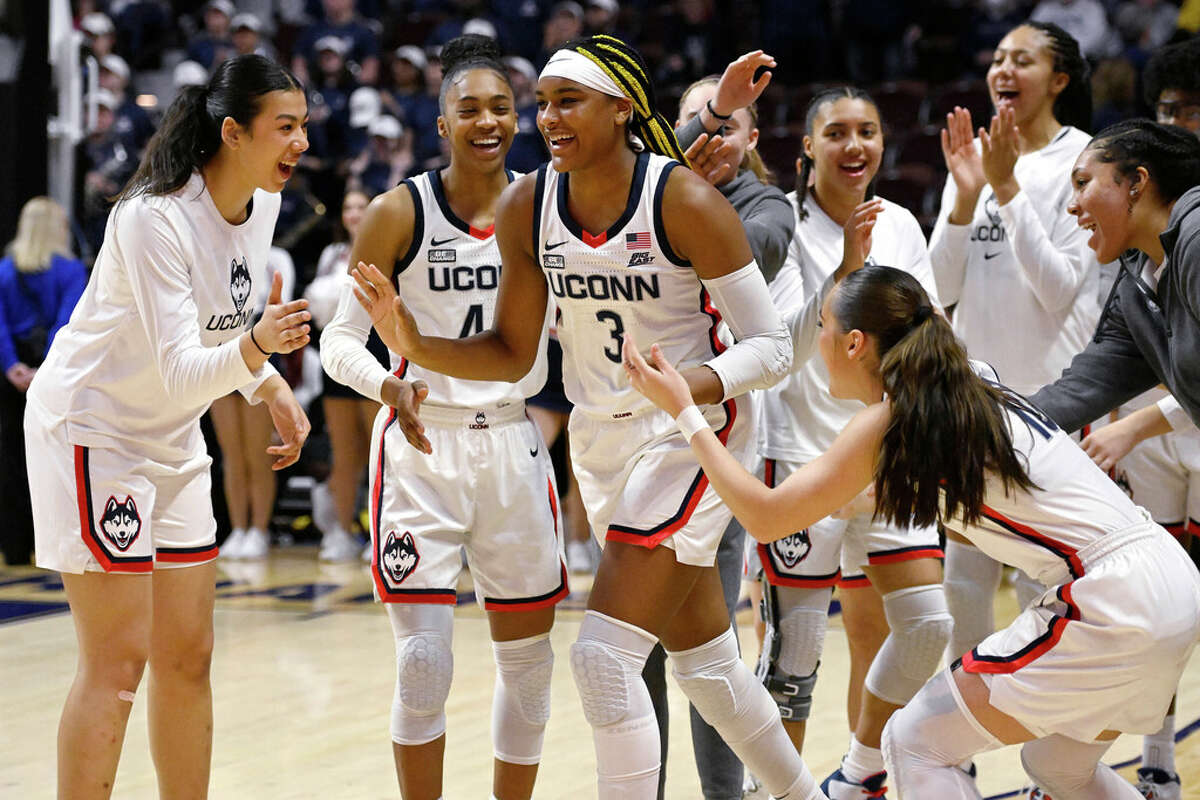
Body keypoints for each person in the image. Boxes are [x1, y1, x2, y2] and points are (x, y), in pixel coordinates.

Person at [355, 33, 828, 800]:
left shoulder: (683, 199)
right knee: (706, 665)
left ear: (620, 110)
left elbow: (773, 347)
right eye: (541, 104)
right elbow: (513, 354)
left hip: (690, 434)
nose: (546, 119)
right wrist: (417, 343)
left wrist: (690, 387)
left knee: (601, 661)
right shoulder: (528, 202)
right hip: (600, 437)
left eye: (566, 101)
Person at [623, 264, 1200, 800]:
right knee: (1058, 767)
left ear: (854, 343)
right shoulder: (970, 382)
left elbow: (766, 517)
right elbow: (982, 506)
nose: (816, 342)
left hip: (1113, 595)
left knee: (912, 741)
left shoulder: (891, 419)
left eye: (821, 326)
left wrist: (686, 412)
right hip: (1170, 580)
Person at [24, 54, 312, 798]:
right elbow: (190, 365)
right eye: (285, 127)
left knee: (189, 654)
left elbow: (221, 331)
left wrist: (269, 380)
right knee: (118, 662)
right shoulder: (153, 218)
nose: (301, 143)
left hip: (172, 437)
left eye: (303, 127)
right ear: (233, 132)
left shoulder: (265, 207)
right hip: (95, 430)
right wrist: (260, 351)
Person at [320, 35, 566, 800]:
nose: (487, 121)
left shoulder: (545, 205)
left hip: (511, 442)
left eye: (501, 107)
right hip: (423, 453)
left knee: (527, 671)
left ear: (517, 116)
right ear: (442, 124)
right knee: (423, 666)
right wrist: (388, 389)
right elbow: (338, 341)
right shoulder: (399, 213)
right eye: (470, 109)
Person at [755, 85, 951, 800]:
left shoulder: (900, 222)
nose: (855, 145)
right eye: (836, 132)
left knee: (923, 629)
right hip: (805, 456)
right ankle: (777, 790)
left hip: (891, 458)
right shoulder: (780, 228)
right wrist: (844, 270)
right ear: (806, 147)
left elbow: (927, 336)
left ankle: (866, 775)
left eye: (866, 130)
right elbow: (781, 348)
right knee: (793, 659)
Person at [929, 21, 1104, 720]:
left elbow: (1061, 289)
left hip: (1055, 405)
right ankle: (960, 744)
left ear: (1059, 79)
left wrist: (1004, 190)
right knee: (964, 580)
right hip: (979, 400)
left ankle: (1051, 750)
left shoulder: (1084, 158)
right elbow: (941, 284)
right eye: (998, 58)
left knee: (1052, 586)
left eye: (1022, 60)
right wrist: (968, 195)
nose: (1004, 69)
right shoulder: (974, 158)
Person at [637, 50, 795, 800]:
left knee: (707, 651)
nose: (713, 139)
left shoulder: (767, 208)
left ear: (753, 138)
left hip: (716, 449)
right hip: (635, 439)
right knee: (635, 649)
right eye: (700, 125)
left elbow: (737, 257)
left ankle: (724, 795)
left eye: (728, 125)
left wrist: (687, 189)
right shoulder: (642, 201)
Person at [0, 198, 87, 566]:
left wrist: (11, 365)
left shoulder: (4, 270)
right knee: (53, 460)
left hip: (10, 376)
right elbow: (67, 324)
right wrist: (45, 368)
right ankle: (52, 546)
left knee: (9, 461)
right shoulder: (70, 271)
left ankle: (14, 545)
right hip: (53, 375)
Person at [305, 188, 385, 562]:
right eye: (348, 207)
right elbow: (318, 304)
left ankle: (381, 533)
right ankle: (339, 531)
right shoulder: (330, 254)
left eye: (360, 206)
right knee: (344, 452)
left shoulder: (388, 247)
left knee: (378, 450)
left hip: (374, 352)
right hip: (334, 355)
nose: (354, 213)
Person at [213, 247, 297, 561]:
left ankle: (259, 530)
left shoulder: (277, 256)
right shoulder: (218, 251)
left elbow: (280, 306)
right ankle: (238, 528)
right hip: (220, 348)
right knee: (231, 453)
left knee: (257, 452)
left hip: (260, 346)